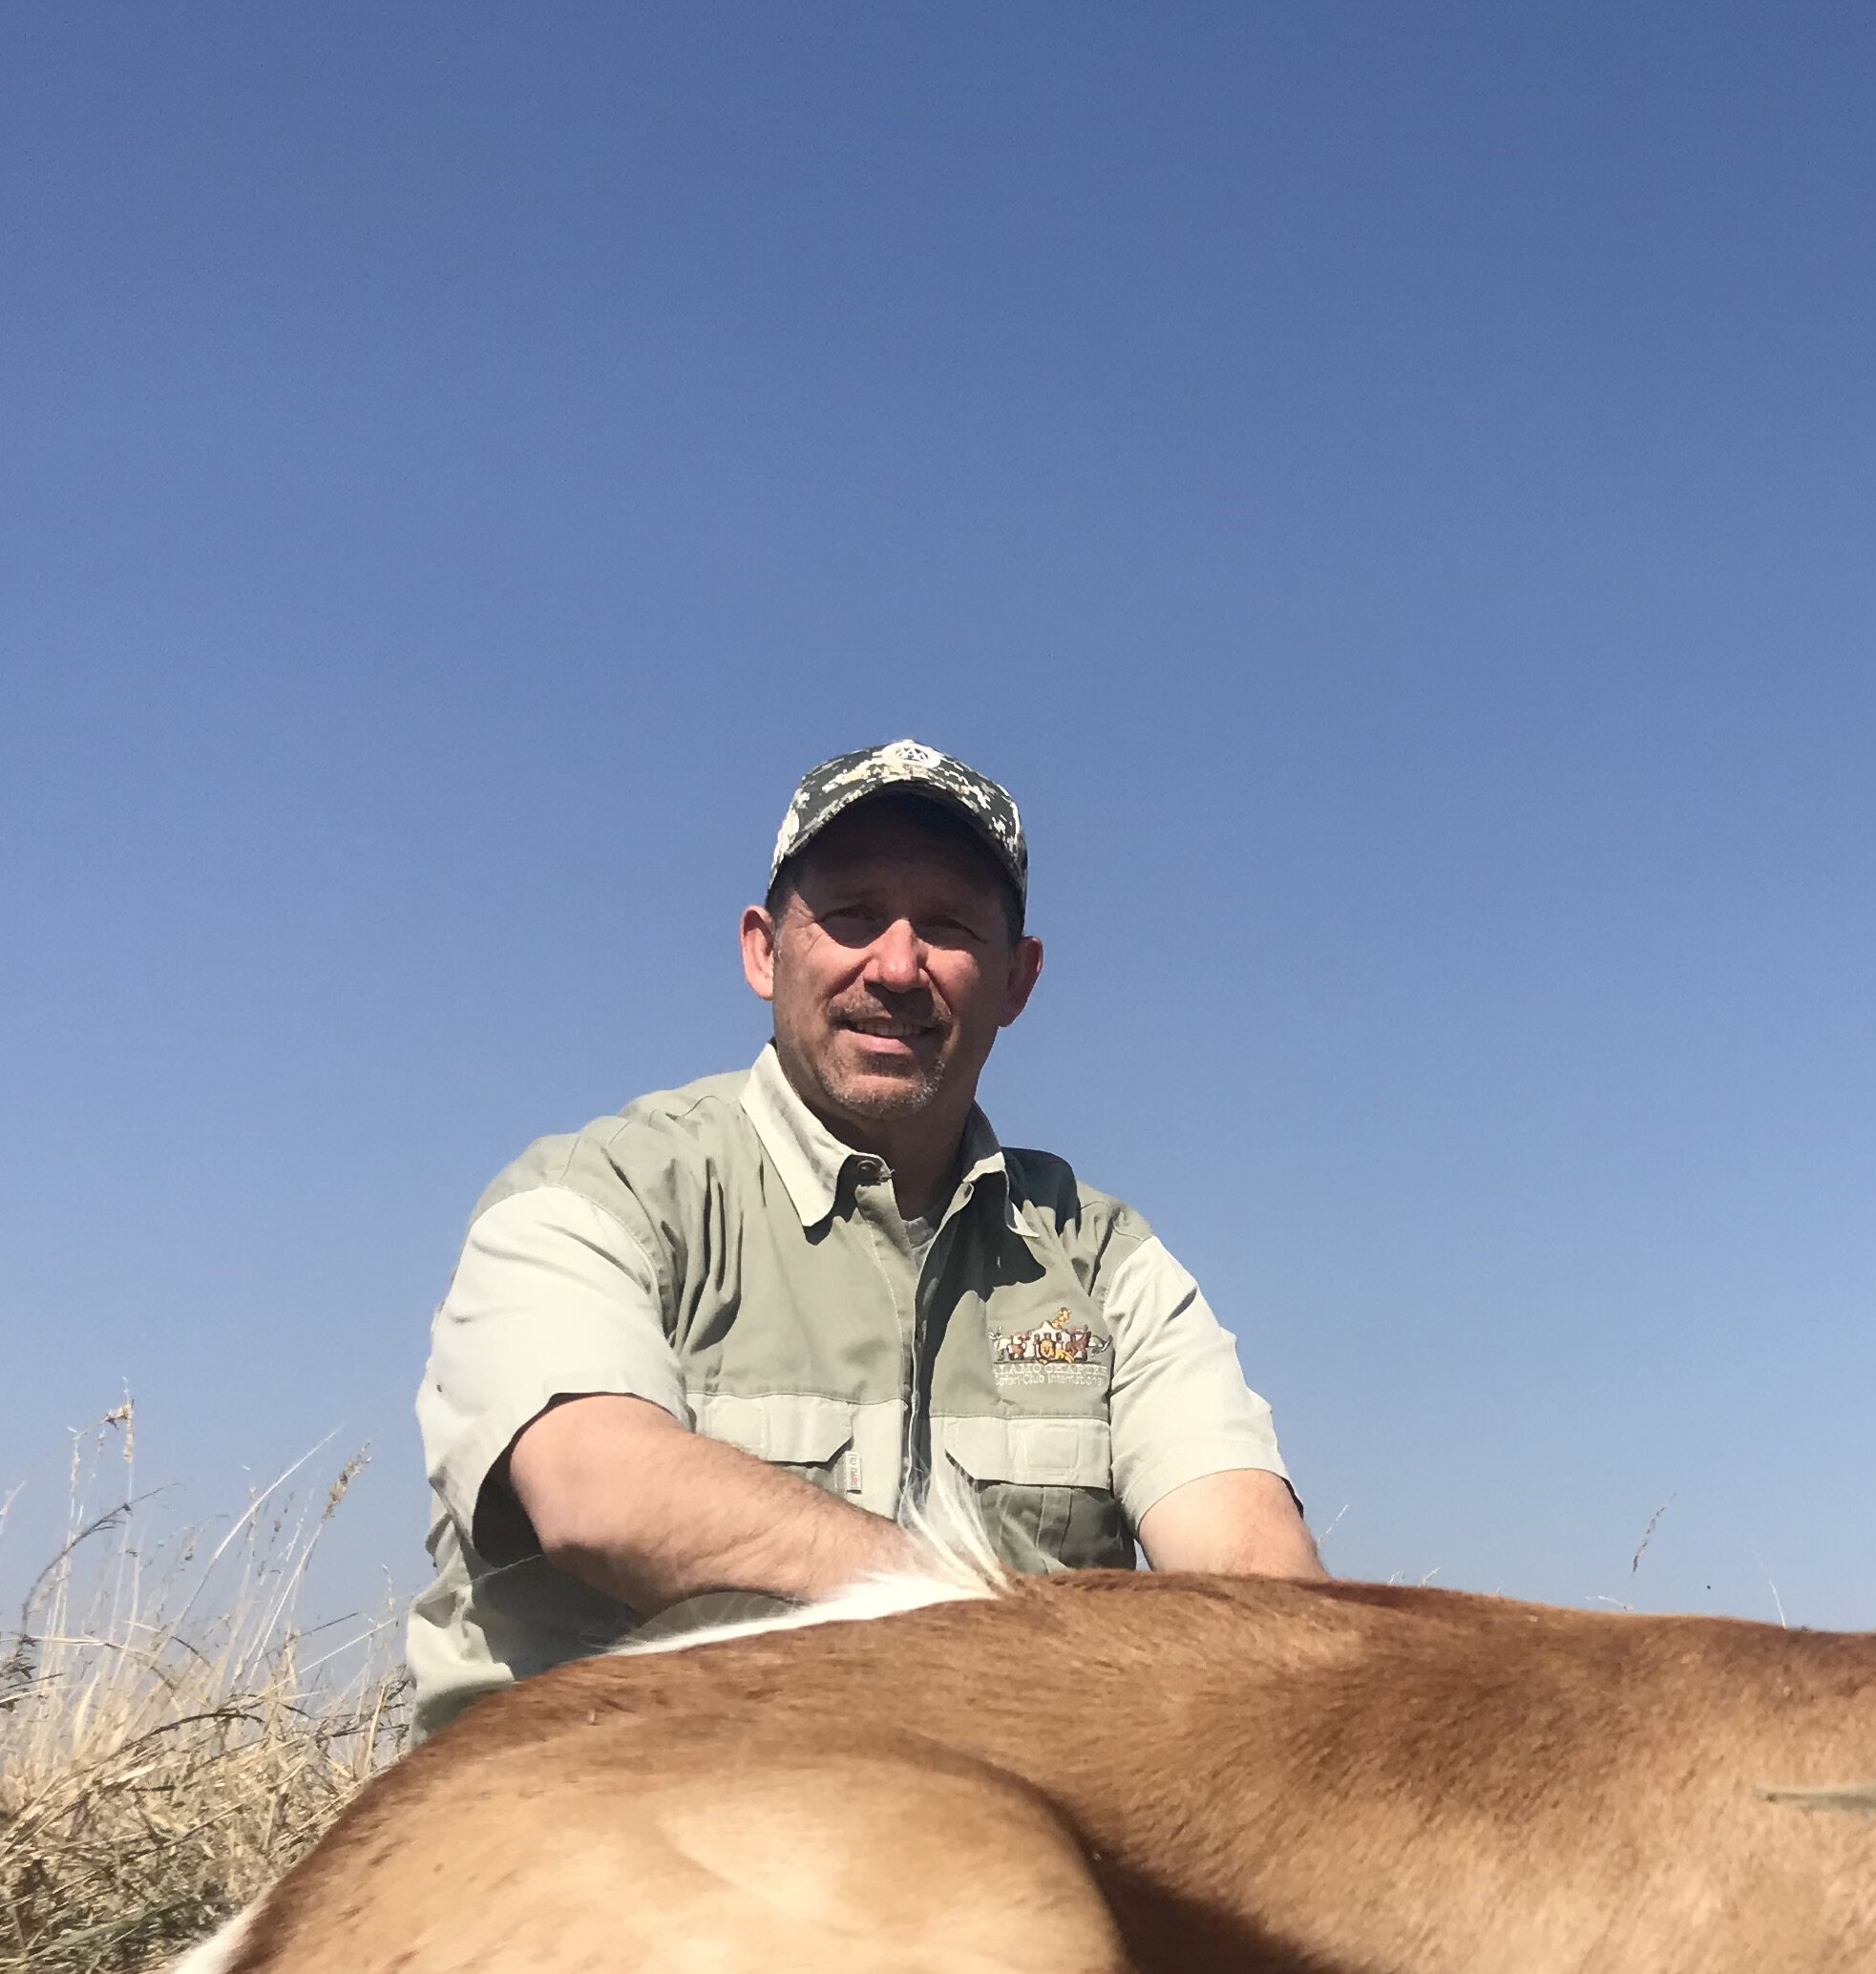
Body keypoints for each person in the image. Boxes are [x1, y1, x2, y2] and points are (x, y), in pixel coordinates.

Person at [405, 741, 1320, 1731]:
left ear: (1018, 980)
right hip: (584, 1827)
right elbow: (594, 1491)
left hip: (974, 1844)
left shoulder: (1105, 1263)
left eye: (950, 926)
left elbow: (1259, 1585)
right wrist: (986, 1623)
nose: (896, 967)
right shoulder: (599, 1194)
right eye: (849, 915)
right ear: (763, 949)